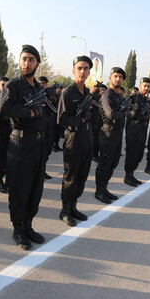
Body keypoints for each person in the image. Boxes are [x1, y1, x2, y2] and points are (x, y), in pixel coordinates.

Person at [0, 45, 46, 250]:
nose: (27, 63)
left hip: (37, 143)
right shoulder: (14, 85)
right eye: (24, 59)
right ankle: (18, 229)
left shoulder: (37, 88)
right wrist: (30, 114)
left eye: (31, 60)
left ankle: (28, 225)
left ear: (37, 63)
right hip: (20, 143)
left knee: (35, 188)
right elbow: (3, 109)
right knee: (19, 189)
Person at [57, 56, 93, 226]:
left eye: (86, 68)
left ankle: (73, 207)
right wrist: (83, 120)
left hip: (86, 139)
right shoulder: (67, 93)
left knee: (82, 175)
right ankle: (65, 210)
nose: (83, 71)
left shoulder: (87, 93)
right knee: (70, 176)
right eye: (80, 68)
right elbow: (63, 119)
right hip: (73, 139)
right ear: (73, 71)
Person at [95, 67, 126, 204]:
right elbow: (111, 114)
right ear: (110, 78)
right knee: (104, 164)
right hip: (108, 133)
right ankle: (99, 191)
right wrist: (125, 113)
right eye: (115, 76)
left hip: (117, 134)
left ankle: (104, 188)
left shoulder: (118, 95)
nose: (118, 79)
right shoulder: (107, 95)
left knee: (113, 163)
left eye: (120, 77)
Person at [123, 77, 150, 187]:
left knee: (139, 155)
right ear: (140, 86)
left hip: (142, 130)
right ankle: (127, 176)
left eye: (149, 86)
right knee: (132, 154)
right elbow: (132, 114)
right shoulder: (133, 98)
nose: (147, 88)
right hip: (133, 130)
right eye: (145, 86)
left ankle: (131, 174)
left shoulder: (147, 99)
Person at [91, 82, 107, 162]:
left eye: (104, 90)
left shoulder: (107, 99)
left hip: (103, 123)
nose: (103, 91)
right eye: (101, 90)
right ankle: (94, 155)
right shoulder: (94, 97)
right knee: (95, 140)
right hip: (94, 122)